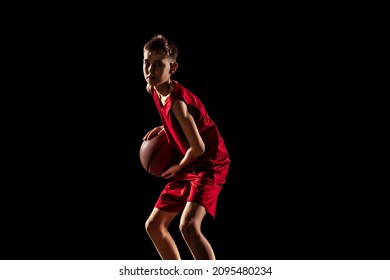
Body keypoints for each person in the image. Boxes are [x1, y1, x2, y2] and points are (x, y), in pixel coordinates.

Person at [142, 34, 231, 260]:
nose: (150, 70)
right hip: (190, 160)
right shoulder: (153, 88)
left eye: (159, 64)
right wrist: (164, 128)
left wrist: (177, 167)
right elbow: (175, 123)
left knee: (189, 226)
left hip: (208, 163)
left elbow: (199, 147)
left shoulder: (179, 105)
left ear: (173, 68)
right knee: (154, 225)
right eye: (147, 63)